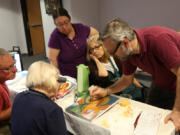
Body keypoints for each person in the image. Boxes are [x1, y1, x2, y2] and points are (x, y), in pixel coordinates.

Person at [90, 18, 180, 132]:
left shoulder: (158, 39)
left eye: (113, 52)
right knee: (148, 121)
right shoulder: (127, 52)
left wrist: (177, 110)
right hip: (161, 82)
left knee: (173, 126)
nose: (113, 56)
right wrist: (106, 91)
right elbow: (126, 80)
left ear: (125, 42)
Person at [11, 61, 69, 135]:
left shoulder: (19, 97)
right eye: (58, 80)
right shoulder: (53, 109)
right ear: (50, 82)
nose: (60, 84)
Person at [48, 8, 99, 78]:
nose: (64, 27)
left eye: (66, 22)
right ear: (55, 24)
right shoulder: (55, 37)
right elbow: (52, 59)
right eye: (59, 25)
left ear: (70, 19)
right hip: (69, 76)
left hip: (86, 71)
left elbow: (96, 34)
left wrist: (91, 46)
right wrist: (56, 77)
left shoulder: (80, 28)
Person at [0, 48, 17, 135]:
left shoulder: (2, 82)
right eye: (8, 68)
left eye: (13, 65)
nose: (15, 70)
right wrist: (18, 105)